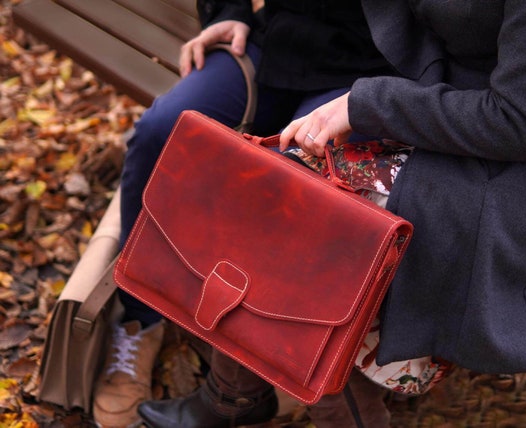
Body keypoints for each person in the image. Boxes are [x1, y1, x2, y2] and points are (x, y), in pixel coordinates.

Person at [95, 0, 526, 426]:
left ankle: (252, 400)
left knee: (322, 219)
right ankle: (234, 394)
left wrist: (369, 102)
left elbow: (523, 125)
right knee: (286, 185)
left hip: (520, 164)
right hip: (438, 109)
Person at [92, 1, 397, 427]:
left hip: (372, 71)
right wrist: (227, 10)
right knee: (163, 128)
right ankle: (141, 321)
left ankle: (239, 388)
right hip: (275, 41)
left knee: (296, 190)